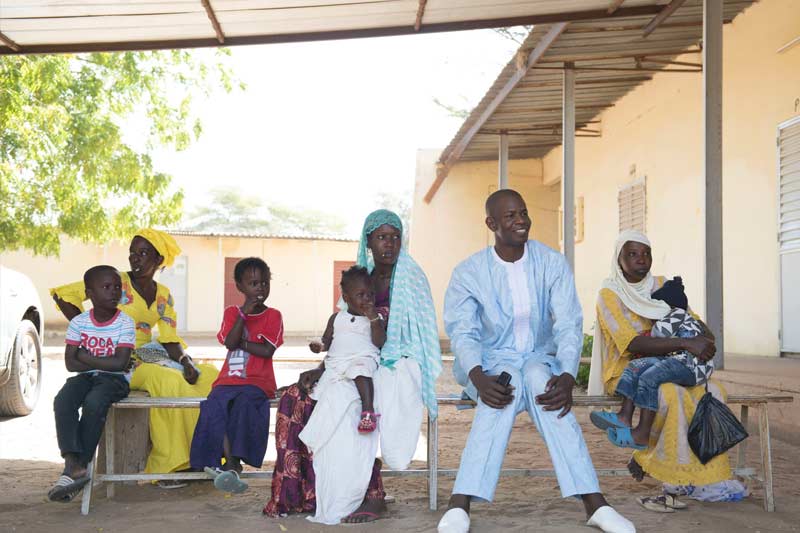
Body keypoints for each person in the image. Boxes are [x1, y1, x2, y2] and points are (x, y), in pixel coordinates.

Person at [438, 189, 635, 533]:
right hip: (489, 362)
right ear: (492, 223)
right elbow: (463, 331)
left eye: (523, 213)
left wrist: (569, 375)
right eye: (511, 216)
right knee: (500, 391)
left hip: (540, 359)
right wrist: (478, 377)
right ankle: (461, 503)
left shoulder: (551, 262)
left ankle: (595, 503)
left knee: (544, 389)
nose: (521, 221)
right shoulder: (469, 272)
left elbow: (569, 323)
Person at [264, 209, 442, 524]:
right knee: (296, 398)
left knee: (354, 403)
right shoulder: (361, 280)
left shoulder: (410, 278)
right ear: (369, 241)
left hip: (395, 360)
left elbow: (419, 335)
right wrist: (321, 368)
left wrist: (383, 355)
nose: (390, 243)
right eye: (382, 237)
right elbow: (344, 336)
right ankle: (308, 492)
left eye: (396, 236)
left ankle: (371, 494)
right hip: (352, 360)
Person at [50, 229, 219, 485]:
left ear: (159, 260)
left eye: (143, 253)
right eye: (132, 253)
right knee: (166, 381)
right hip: (122, 358)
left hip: (152, 351)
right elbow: (63, 294)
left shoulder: (163, 294)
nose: (135, 259)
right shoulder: (115, 281)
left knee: (209, 376)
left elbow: (169, 338)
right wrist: (93, 329)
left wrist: (186, 362)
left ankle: (206, 457)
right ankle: (170, 465)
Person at [587, 230, 739, 508]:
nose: (641, 260)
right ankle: (673, 476)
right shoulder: (609, 294)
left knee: (714, 391)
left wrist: (703, 342)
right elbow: (631, 344)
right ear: (618, 259)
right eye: (632, 254)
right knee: (670, 394)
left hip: (678, 362)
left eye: (646, 254)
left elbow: (694, 322)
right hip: (629, 371)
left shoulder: (662, 285)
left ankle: (696, 475)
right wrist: (686, 342)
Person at [190, 257, 284, 493]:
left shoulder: (273, 315)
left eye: (264, 283)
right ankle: (219, 464)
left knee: (244, 404)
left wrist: (241, 342)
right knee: (214, 405)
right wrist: (244, 316)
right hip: (227, 380)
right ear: (240, 287)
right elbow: (230, 343)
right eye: (253, 284)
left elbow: (267, 350)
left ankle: (234, 463)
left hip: (257, 382)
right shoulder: (232, 313)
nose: (260, 288)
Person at [593, 276, 715, 450]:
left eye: (654, 308)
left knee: (649, 378)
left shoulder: (678, 314)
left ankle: (642, 433)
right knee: (636, 366)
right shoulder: (678, 316)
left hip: (693, 367)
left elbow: (659, 334)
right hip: (678, 360)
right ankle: (624, 416)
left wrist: (649, 329)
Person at [49, 266, 135, 502]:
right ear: (90, 293)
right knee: (63, 400)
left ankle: (76, 470)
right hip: (86, 377)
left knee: (95, 401)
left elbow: (120, 364)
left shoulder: (125, 323)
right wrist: (99, 362)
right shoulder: (79, 322)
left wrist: (85, 356)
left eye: (117, 286)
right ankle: (72, 462)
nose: (114, 291)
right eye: (106, 287)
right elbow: (70, 363)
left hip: (115, 381)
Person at [306, 266, 386, 434]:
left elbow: (379, 342)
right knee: (319, 391)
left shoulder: (375, 318)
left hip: (363, 358)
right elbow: (326, 341)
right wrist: (319, 346)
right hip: (337, 362)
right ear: (346, 298)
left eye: (371, 294)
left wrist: (373, 320)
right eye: (360, 295)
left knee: (360, 371)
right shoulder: (336, 318)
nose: (367, 299)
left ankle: (368, 412)